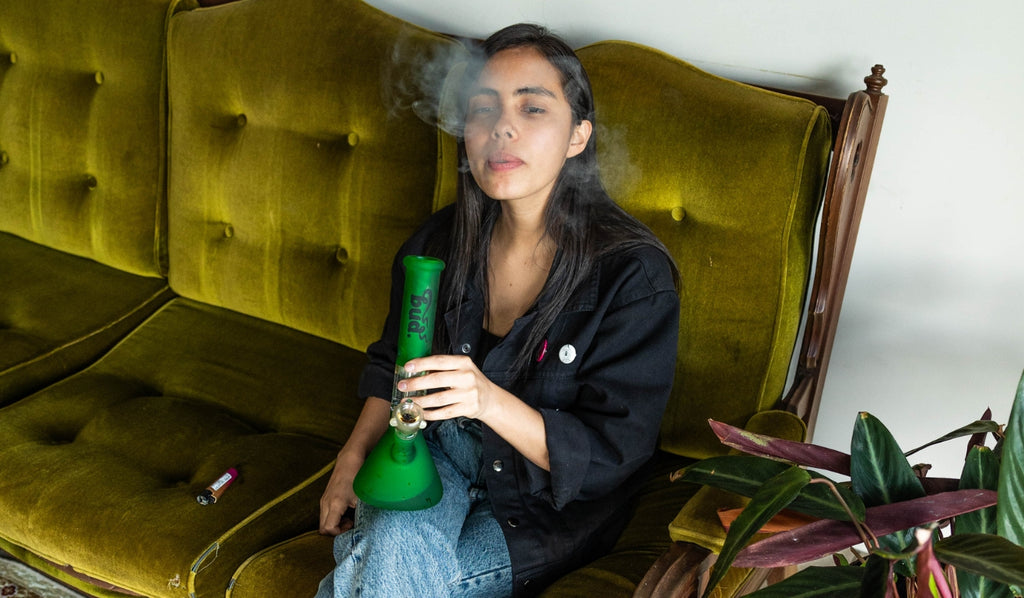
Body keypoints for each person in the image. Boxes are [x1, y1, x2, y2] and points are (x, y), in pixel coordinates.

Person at [316, 23, 680, 598]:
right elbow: (392, 360)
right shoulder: (439, 243)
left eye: (533, 109)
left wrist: (487, 399)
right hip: (436, 454)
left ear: (578, 136)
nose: (502, 127)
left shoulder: (633, 277)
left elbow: (613, 455)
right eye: (484, 110)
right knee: (392, 551)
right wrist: (351, 456)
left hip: (541, 506)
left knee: (385, 575)